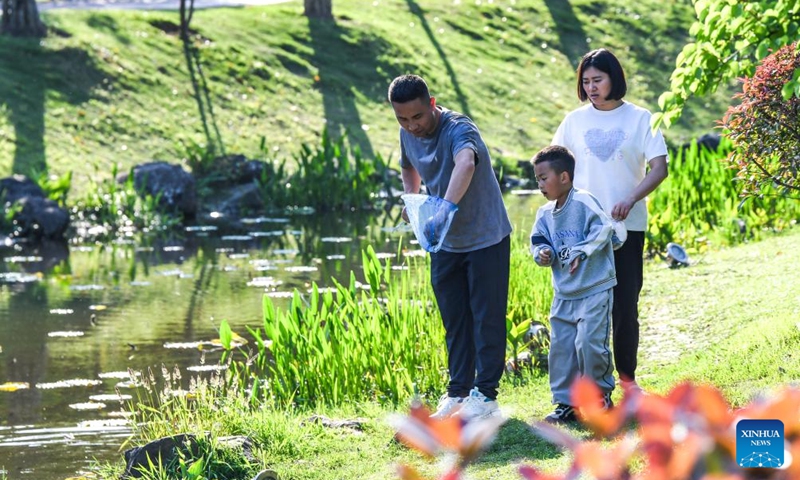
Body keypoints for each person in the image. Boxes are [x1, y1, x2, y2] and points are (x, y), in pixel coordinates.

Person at [387, 74, 512, 421]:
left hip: (486, 236)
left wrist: (443, 209)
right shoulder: (406, 133)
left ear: (432, 104)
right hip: (445, 242)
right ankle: (458, 393)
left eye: (417, 117)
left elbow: (466, 163)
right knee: (455, 319)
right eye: (402, 119)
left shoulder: (459, 128)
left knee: (486, 318)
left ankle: (486, 396)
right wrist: (413, 201)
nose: (412, 126)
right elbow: (408, 165)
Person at [552, 48, 668, 392]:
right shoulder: (573, 122)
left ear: (614, 79)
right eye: (585, 81)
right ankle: (582, 387)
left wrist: (631, 198)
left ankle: (628, 381)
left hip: (626, 228)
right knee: (581, 309)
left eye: (597, 80)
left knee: (624, 306)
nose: (591, 87)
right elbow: (553, 167)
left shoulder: (640, 118)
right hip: (580, 233)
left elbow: (659, 168)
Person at [529, 145, 618, 424]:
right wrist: (542, 254)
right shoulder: (544, 214)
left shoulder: (584, 201)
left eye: (544, 178)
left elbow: (604, 227)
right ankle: (566, 403)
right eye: (537, 179)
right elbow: (538, 241)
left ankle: (599, 396)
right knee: (563, 350)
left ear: (564, 177)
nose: (540, 184)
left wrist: (582, 250)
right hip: (564, 293)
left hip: (594, 287)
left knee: (589, 344)